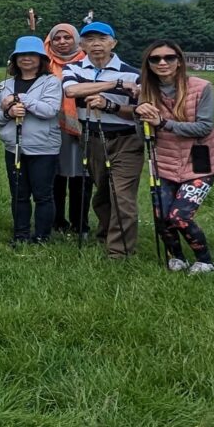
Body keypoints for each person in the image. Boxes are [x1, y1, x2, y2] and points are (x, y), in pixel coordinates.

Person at [135, 39, 214, 274]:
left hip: (200, 161)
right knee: (161, 214)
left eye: (169, 57)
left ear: (179, 62)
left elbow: (204, 128)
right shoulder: (145, 91)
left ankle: (205, 260)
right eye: (155, 59)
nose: (162, 62)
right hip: (164, 161)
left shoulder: (201, 87)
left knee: (180, 216)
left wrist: (164, 123)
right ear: (149, 64)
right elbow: (143, 136)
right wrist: (140, 116)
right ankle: (176, 256)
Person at [61, 21, 143, 258]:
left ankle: (119, 251)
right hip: (92, 139)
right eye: (90, 40)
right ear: (82, 45)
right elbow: (71, 91)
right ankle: (106, 232)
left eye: (102, 39)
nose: (96, 45)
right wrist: (116, 84)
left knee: (122, 195)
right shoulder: (74, 68)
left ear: (113, 43)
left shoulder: (133, 73)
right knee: (103, 193)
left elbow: (139, 110)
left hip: (126, 139)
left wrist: (111, 105)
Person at [0, 36, 64, 245]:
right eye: (22, 55)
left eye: (32, 55)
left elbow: (49, 110)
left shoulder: (52, 82)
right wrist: (8, 113)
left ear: (41, 59)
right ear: (15, 59)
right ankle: (20, 234)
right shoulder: (4, 85)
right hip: (14, 147)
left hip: (43, 148)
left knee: (43, 194)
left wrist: (21, 99)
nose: (27, 59)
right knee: (19, 194)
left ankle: (41, 236)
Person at [44, 22, 88, 236]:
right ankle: (56, 221)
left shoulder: (88, 62)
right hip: (51, 126)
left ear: (76, 39)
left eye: (67, 38)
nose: (62, 42)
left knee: (81, 176)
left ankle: (80, 223)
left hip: (82, 126)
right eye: (57, 39)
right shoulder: (44, 63)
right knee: (55, 176)